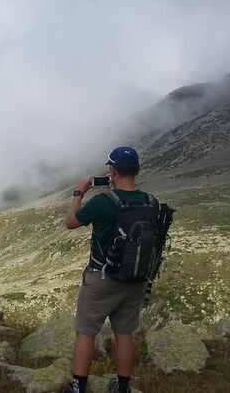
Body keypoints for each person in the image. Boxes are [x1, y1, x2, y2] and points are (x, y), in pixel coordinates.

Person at [62, 147, 159, 393]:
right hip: (136, 278)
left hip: (102, 277)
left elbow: (71, 222)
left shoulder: (102, 202)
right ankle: (123, 387)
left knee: (86, 332)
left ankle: (77, 388)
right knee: (125, 333)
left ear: (112, 171)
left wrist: (78, 192)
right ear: (137, 170)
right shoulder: (151, 202)